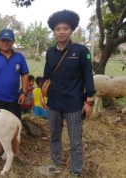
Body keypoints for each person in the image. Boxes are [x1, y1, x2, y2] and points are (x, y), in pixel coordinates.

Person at [38, 10, 95, 177]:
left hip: (74, 104)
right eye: (58, 28)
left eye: (65, 28)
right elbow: (47, 75)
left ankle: (75, 171)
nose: (61, 32)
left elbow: (88, 77)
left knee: (75, 141)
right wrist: (42, 94)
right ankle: (55, 163)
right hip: (54, 103)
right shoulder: (50, 52)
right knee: (54, 136)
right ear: (54, 31)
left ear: (72, 30)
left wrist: (89, 101)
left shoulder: (81, 51)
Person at [0, 28, 29, 119]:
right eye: (3, 40)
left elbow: (25, 75)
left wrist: (24, 93)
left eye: (8, 40)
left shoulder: (19, 57)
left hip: (15, 99)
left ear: (13, 42)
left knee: (14, 125)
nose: (5, 43)